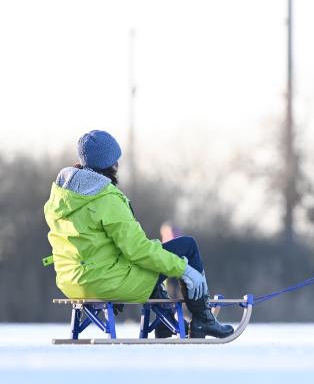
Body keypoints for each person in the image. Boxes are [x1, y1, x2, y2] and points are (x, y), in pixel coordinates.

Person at [43, 130, 233, 339]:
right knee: (186, 246)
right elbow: (138, 250)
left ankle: (165, 321)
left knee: (148, 262)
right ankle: (203, 320)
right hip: (106, 281)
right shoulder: (106, 198)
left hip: (71, 282)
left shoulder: (60, 198)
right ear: (110, 162)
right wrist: (185, 269)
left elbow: (104, 248)